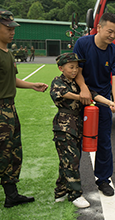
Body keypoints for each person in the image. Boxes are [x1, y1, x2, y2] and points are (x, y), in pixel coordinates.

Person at [50, 52, 115, 208]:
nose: (75, 70)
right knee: (71, 160)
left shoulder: (77, 84)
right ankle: (75, 195)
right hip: (64, 126)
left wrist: (110, 103)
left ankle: (60, 191)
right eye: (71, 67)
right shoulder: (58, 82)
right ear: (61, 68)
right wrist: (80, 96)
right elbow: (61, 94)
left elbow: (94, 95)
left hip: (77, 126)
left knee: (67, 160)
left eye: (77, 67)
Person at [0, 9, 48, 208]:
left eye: (13, 28)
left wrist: (32, 85)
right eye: (8, 28)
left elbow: (12, 80)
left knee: (12, 152)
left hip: (10, 108)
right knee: (2, 153)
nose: (12, 32)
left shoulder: (8, 53)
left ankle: (11, 195)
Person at [73, 12, 115, 196]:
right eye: (109, 31)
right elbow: (76, 69)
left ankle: (103, 180)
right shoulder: (82, 43)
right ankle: (72, 181)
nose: (112, 36)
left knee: (104, 141)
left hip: (102, 101)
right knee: (75, 140)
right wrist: (83, 88)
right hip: (80, 97)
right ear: (99, 28)